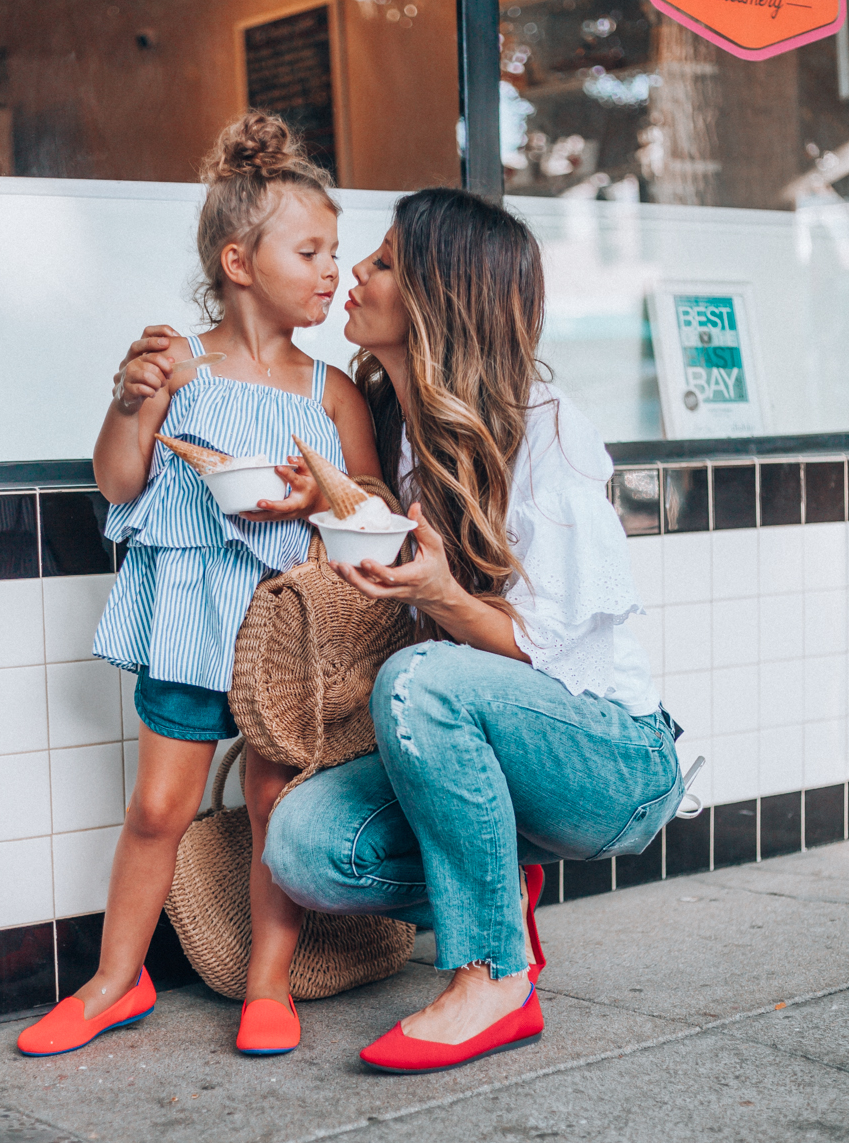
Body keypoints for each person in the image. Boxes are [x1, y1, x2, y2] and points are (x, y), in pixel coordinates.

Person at [262, 186, 685, 1075]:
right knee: (303, 845)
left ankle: (492, 976)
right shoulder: (395, 421)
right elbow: (391, 526)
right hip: (490, 744)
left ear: (435, 298)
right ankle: (500, 899)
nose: (354, 275)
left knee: (420, 679)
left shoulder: (550, 430)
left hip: (612, 759)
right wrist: (333, 499)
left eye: (380, 263)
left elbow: (550, 650)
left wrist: (446, 598)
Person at [17, 113, 381, 1058]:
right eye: (310, 251)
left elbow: (369, 506)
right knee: (157, 811)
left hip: (278, 634)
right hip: (185, 618)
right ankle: (113, 983)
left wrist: (318, 494)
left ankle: (268, 984)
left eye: (335, 252)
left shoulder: (329, 394)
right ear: (238, 259)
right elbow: (118, 482)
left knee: (271, 808)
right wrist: (134, 399)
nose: (331, 269)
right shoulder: (178, 364)